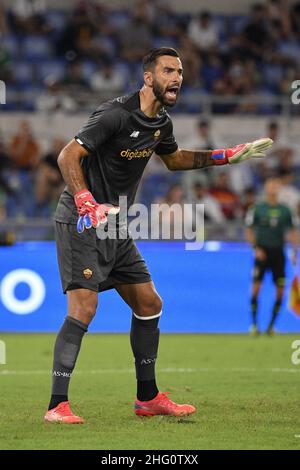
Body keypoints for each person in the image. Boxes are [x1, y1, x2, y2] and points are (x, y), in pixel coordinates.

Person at [44, 47, 273, 424]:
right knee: (84, 308)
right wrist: (85, 201)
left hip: (116, 225)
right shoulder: (114, 114)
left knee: (149, 303)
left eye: (180, 71)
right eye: (169, 70)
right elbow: (68, 155)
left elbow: (174, 158)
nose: (178, 78)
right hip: (82, 221)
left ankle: (147, 398)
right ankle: (57, 405)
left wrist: (226, 156)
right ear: (148, 77)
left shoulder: (160, 123)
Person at [245, 177, 298, 336]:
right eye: (270, 185)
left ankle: (271, 326)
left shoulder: (286, 210)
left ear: (279, 188)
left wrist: (294, 251)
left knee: (281, 290)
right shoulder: (257, 208)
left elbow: (293, 232)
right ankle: (254, 325)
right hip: (262, 253)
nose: (273, 188)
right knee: (255, 289)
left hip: (278, 254)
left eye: (276, 185)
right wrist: (256, 248)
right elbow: (248, 230)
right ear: (266, 188)